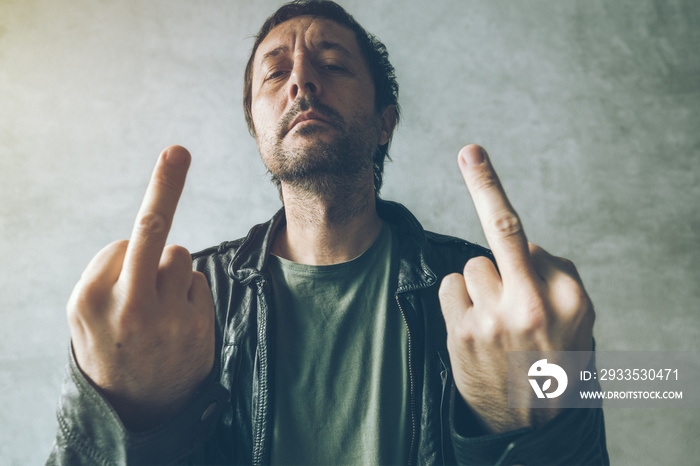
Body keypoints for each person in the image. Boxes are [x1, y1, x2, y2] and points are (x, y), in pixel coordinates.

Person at [48, 1, 608, 464]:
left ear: (385, 122)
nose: (302, 82)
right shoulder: (179, 304)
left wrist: (526, 422)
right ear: (257, 127)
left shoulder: (501, 306)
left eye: (333, 65)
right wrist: (125, 420)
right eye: (275, 73)